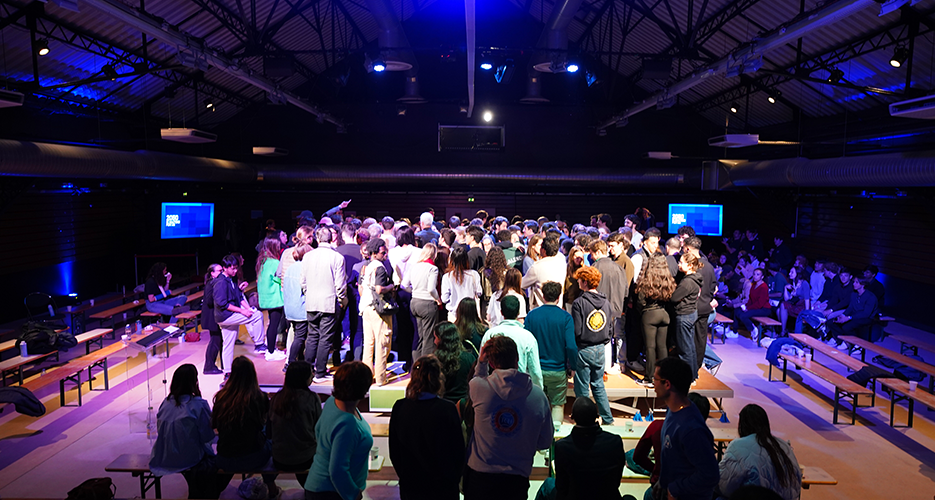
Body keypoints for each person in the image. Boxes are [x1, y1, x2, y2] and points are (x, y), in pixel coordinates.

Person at [463, 336, 553, 500]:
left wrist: (481, 362)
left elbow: (476, 378)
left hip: (480, 477)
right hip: (516, 479)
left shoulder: (478, 388)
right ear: (517, 358)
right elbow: (545, 442)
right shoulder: (538, 396)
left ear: (490, 362)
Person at [389, 355, 465, 500]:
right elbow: (458, 451)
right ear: (438, 378)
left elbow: (395, 450)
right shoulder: (447, 409)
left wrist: (405, 477)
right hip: (443, 487)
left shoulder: (400, 407)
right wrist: (453, 480)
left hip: (411, 486)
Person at [304, 362, 374, 500]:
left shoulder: (332, 402)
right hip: (331, 493)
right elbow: (337, 471)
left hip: (321, 487)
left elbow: (318, 432)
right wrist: (353, 494)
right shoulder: (347, 424)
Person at [652, 357, 719, 500]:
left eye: (655, 379)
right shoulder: (673, 410)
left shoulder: (692, 430)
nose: (653, 384)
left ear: (667, 384)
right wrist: (663, 483)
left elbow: (710, 475)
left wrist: (676, 489)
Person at [149, 364, 218, 499]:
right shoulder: (199, 404)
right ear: (194, 382)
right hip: (189, 458)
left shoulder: (165, 403)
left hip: (163, 455)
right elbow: (207, 436)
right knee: (215, 464)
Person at [213, 357, 277, 497]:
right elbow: (263, 424)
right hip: (254, 456)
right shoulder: (259, 397)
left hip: (225, 456)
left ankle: (216, 489)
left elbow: (215, 426)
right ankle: (271, 486)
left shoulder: (221, 397)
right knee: (270, 438)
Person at [717, 404, 801, 500]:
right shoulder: (784, 445)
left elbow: (724, 487)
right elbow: (797, 485)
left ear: (742, 425)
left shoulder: (738, 446)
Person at [633, 393, 710, 494]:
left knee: (630, 455)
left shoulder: (658, 426)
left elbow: (638, 457)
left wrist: (656, 470)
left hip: (661, 487)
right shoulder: (703, 437)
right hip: (688, 491)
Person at [523, 281, 576, 429]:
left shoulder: (532, 316)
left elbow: (527, 342)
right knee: (558, 405)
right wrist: (573, 366)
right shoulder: (565, 317)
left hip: (536, 370)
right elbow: (571, 346)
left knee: (536, 405)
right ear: (559, 296)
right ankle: (554, 439)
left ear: (543, 296)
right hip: (558, 370)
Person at [551, 397, 626, 500]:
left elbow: (561, 487)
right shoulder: (615, 442)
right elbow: (616, 480)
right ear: (596, 416)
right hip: (607, 496)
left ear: (572, 417)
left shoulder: (562, 447)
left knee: (547, 485)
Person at [301, 227, 347, 383]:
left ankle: (308, 371)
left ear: (317, 239)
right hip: (328, 302)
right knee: (325, 339)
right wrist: (342, 301)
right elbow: (340, 285)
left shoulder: (307, 256)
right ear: (332, 239)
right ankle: (320, 372)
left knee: (312, 336)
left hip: (311, 302)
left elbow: (303, 282)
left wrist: (309, 295)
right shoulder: (337, 257)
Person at [571, 266, 614, 425]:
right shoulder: (606, 301)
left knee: (582, 388)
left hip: (584, 349)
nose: (577, 282)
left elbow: (577, 330)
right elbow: (610, 327)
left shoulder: (579, 303)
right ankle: (608, 420)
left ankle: (583, 421)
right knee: (598, 385)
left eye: (579, 280)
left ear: (584, 282)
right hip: (600, 349)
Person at [270, 361, 322, 487]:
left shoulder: (277, 398)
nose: (313, 376)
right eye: (311, 374)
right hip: (305, 458)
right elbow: (319, 428)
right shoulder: (312, 398)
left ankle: (270, 485)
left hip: (279, 457)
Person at [478, 295, 544, 388]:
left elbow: (482, 362)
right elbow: (535, 371)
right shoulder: (528, 337)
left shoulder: (490, 334)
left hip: (494, 388)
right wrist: (538, 391)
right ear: (518, 313)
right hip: (520, 388)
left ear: (501, 312)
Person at [214, 255, 265, 374]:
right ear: (224, 268)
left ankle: (227, 372)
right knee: (257, 315)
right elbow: (222, 304)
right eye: (233, 268)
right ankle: (259, 344)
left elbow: (238, 296)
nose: (235, 271)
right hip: (225, 316)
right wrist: (243, 311)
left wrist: (248, 308)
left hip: (228, 315)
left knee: (228, 344)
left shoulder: (231, 279)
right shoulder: (220, 282)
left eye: (236, 268)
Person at [634, 254, 676, 385]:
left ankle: (649, 378)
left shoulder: (646, 280)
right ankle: (664, 377)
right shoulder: (668, 279)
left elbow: (640, 301)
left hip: (649, 315)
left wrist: (644, 311)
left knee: (650, 348)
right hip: (665, 315)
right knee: (662, 347)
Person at [360, 238, 395, 386]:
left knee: (368, 344)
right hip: (378, 310)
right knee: (382, 343)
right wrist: (391, 286)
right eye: (382, 252)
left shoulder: (366, 267)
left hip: (365, 308)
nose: (385, 254)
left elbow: (361, 289)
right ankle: (381, 378)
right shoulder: (380, 268)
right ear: (374, 253)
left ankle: (367, 377)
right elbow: (380, 289)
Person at [403, 243, 443, 361]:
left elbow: (404, 285)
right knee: (429, 337)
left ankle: (416, 365)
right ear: (433, 254)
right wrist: (438, 299)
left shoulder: (414, 266)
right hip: (427, 304)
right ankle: (426, 368)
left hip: (414, 302)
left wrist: (414, 291)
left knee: (418, 336)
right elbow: (431, 288)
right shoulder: (432, 268)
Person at [670, 253, 702, 381]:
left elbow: (674, 298)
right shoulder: (696, 279)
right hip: (691, 313)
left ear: (689, 265)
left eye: (681, 262)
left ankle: (688, 378)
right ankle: (693, 374)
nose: (678, 264)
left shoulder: (687, 282)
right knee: (690, 347)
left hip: (684, 316)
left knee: (684, 349)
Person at [434, 321, 478, 409]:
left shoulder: (435, 361)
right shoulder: (469, 358)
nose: (434, 341)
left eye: (435, 338)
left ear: (442, 339)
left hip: (443, 406)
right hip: (465, 406)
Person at [256, 237, 287, 361]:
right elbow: (278, 278)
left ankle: (271, 349)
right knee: (273, 325)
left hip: (266, 298)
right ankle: (270, 352)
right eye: (278, 246)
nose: (280, 248)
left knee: (271, 324)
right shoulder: (274, 262)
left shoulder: (262, 261)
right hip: (274, 298)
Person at [826, 277, 879, 347]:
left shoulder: (870, 297)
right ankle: (841, 340)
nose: (853, 284)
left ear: (862, 284)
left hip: (866, 318)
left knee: (847, 326)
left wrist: (849, 318)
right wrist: (843, 315)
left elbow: (866, 314)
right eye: (853, 282)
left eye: (856, 282)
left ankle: (857, 344)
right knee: (830, 322)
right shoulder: (854, 294)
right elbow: (850, 307)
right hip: (854, 315)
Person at [284, 243, 311, 370]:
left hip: (290, 308)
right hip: (300, 308)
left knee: (297, 335)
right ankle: (290, 362)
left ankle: (299, 361)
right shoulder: (304, 269)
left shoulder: (290, 268)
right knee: (300, 338)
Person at [522, 235, 567, 309]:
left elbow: (522, 284)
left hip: (540, 311)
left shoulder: (537, 267)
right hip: (557, 308)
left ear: (543, 250)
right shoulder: (562, 263)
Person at [442, 245, 482, 322]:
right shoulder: (474, 274)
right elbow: (479, 292)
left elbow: (444, 298)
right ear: (466, 260)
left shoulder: (447, 277)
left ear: (452, 260)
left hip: (454, 315)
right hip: (471, 314)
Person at [733, 268, 770, 341]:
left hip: (763, 309)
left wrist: (748, 308)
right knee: (737, 310)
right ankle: (734, 332)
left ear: (762, 277)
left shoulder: (763, 287)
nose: (755, 276)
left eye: (757, 274)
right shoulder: (754, 285)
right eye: (754, 274)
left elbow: (760, 303)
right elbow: (750, 298)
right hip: (754, 307)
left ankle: (753, 329)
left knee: (743, 315)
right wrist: (746, 306)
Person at [202, 264, 224, 375]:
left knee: (218, 340)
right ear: (212, 273)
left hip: (214, 315)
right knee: (215, 341)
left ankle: (220, 364)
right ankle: (208, 366)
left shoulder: (215, 283)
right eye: (219, 270)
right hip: (211, 316)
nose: (222, 272)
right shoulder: (211, 284)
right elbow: (209, 301)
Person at [779, 266, 810, 335]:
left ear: (798, 274)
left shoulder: (804, 283)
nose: (789, 274)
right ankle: (783, 331)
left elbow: (807, 299)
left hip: (802, 306)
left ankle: (790, 332)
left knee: (782, 307)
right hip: (795, 304)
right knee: (782, 305)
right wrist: (785, 289)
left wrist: (807, 312)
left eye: (792, 272)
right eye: (790, 272)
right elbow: (787, 299)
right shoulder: (793, 283)